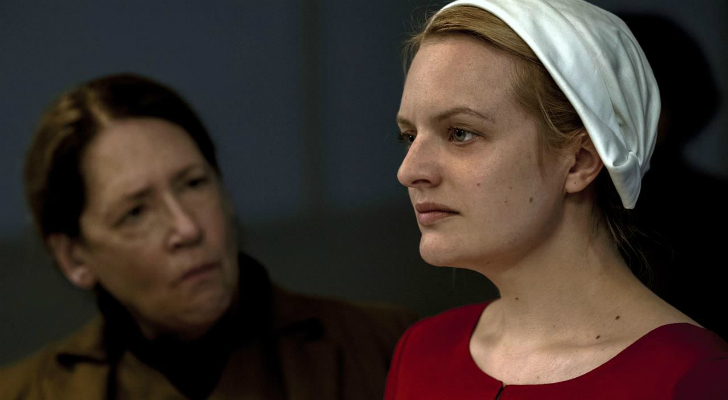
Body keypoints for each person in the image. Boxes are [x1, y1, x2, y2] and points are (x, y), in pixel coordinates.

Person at [385, 0, 728, 398]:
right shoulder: (422, 350)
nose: (409, 171)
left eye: (461, 133)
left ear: (579, 162)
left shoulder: (692, 377)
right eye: (409, 136)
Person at [0, 73, 415, 400]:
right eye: (136, 212)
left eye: (194, 184)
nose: (187, 228)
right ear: (74, 258)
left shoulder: (390, 348)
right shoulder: (25, 392)